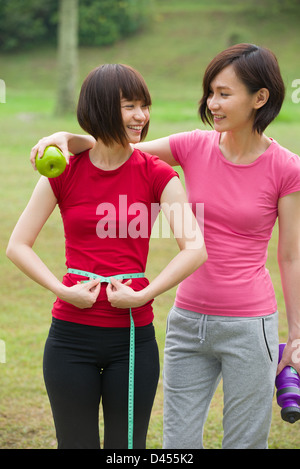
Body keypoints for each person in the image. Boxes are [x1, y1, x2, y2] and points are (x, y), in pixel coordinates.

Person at [30, 43, 300, 449]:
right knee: (178, 445)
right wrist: (65, 136)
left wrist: (296, 335)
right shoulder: (193, 145)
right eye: (210, 93)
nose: (212, 104)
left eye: (224, 94)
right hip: (187, 321)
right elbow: (118, 149)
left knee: (245, 442)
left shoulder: (286, 167)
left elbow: (292, 255)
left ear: (260, 98)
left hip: (249, 324)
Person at [7, 63, 207, 450]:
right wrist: (62, 291)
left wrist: (144, 294)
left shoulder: (158, 173)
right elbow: (18, 245)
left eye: (144, 105)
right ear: (100, 108)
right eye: (129, 105)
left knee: (126, 450)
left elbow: (195, 248)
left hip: (133, 339)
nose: (141, 116)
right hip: (69, 338)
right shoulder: (63, 169)